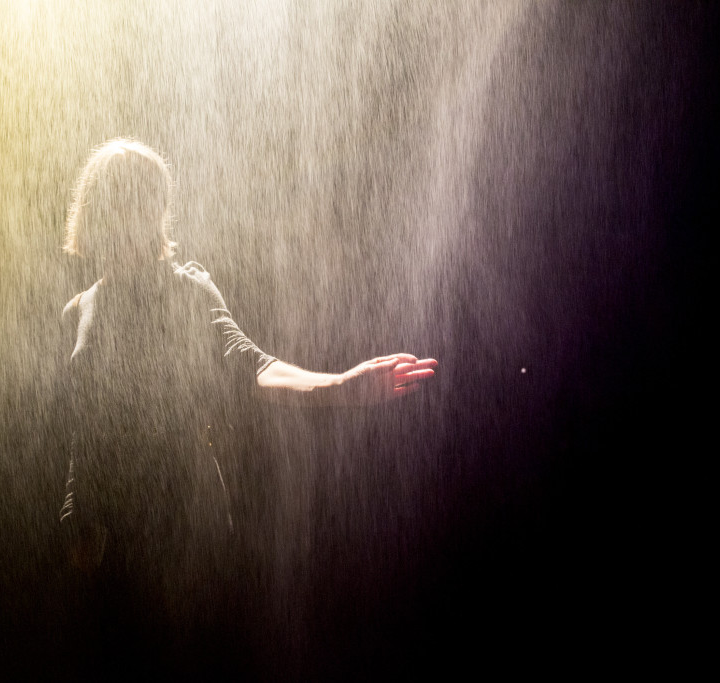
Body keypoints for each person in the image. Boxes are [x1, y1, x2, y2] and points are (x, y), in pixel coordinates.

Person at [56, 138, 436, 673]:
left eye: (142, 201)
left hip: (188, 537)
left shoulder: (188, 290)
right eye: (116, 202)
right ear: (93, 214)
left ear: (156, 212)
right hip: (110, 549)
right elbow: (82, 438)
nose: (129, 216)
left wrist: (339, 386)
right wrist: (77, 534)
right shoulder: (79, 309)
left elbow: (251, 363)